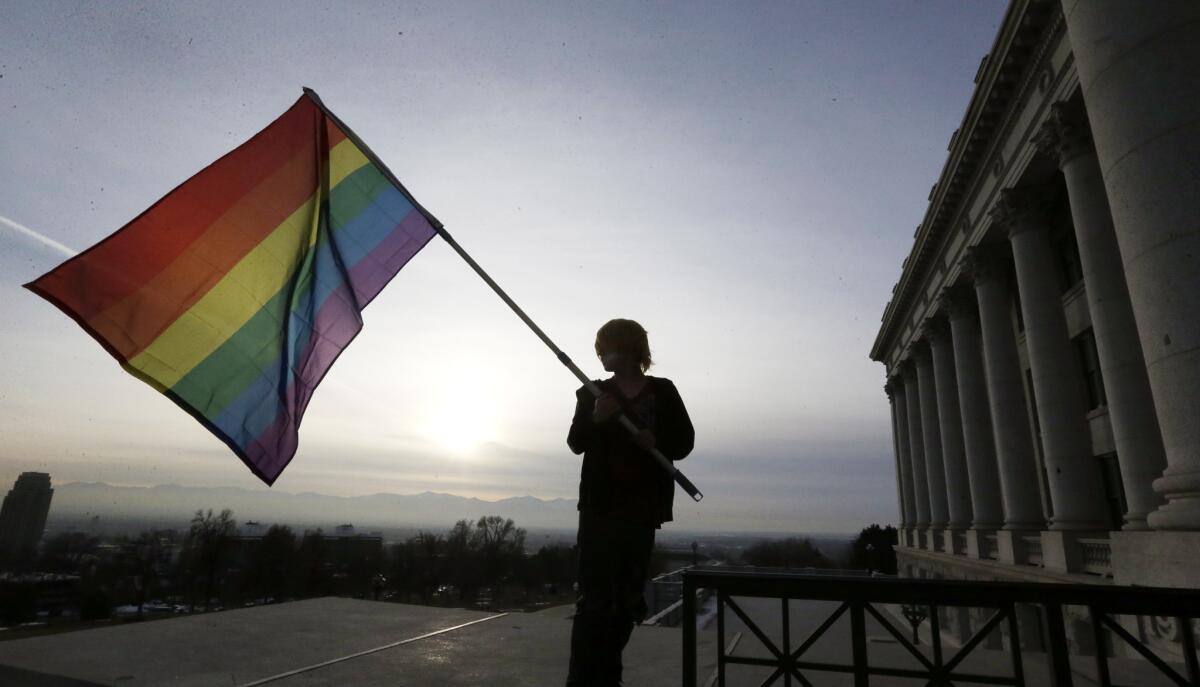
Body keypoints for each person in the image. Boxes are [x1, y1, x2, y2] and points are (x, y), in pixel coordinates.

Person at [565, 318, 695, 687]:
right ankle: (582, 681)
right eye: (599, 348)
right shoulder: (591, 392)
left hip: (642, 510)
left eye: (606, 346)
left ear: (629, 348)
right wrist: (596, 418)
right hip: (599, 509)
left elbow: (684, 442)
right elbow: (576, 442)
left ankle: (606, 676)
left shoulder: (663, 392)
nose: (601, 354)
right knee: (593, 600)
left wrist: (657, 438)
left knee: (626, 601)